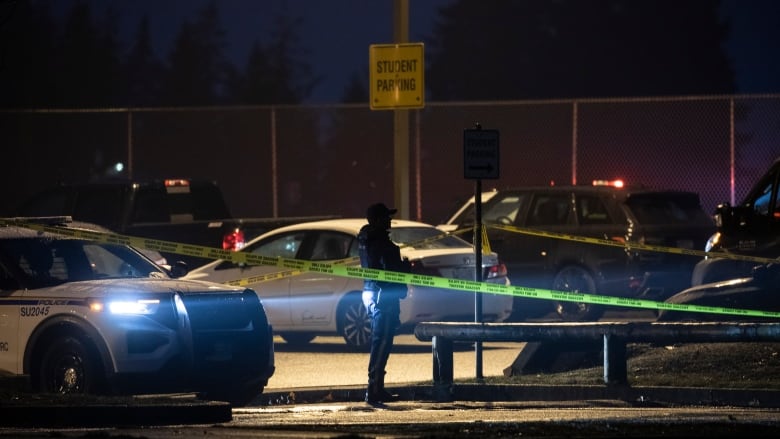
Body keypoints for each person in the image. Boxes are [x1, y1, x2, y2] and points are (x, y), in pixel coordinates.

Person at [358, 202, 411, 404]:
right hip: (383, 297)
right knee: (382, 341)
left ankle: (377, 387)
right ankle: (374, 389)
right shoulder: (378, 242)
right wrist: (404, 267)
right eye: (386, 217)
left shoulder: (367, 239)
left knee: (381, 340)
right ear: (377, 220)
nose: (390, 220)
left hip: (374, 293)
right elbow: (388, 270)